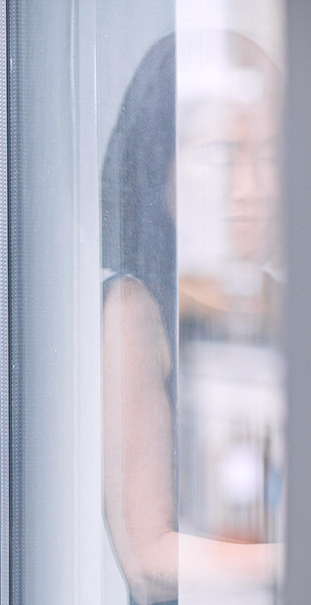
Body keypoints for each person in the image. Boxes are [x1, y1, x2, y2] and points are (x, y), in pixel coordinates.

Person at [101, 32, 282, 605]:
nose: (254, 188)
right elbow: (148, 555)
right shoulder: (135, 311)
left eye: (274, 155)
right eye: (224, 155)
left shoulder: (280, 306)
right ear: (161, 166)